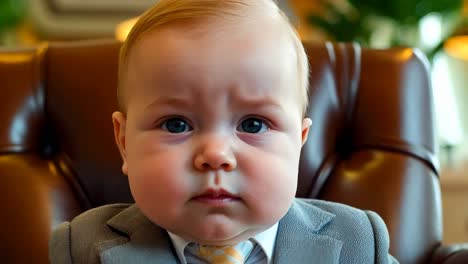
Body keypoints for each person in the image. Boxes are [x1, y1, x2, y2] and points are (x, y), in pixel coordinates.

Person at [49, 0, 398, 263]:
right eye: (176, 124)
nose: (215, 154)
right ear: (124, 143)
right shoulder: (81, 247)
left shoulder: (359, 242)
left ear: (299, 142)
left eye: (253, 124)